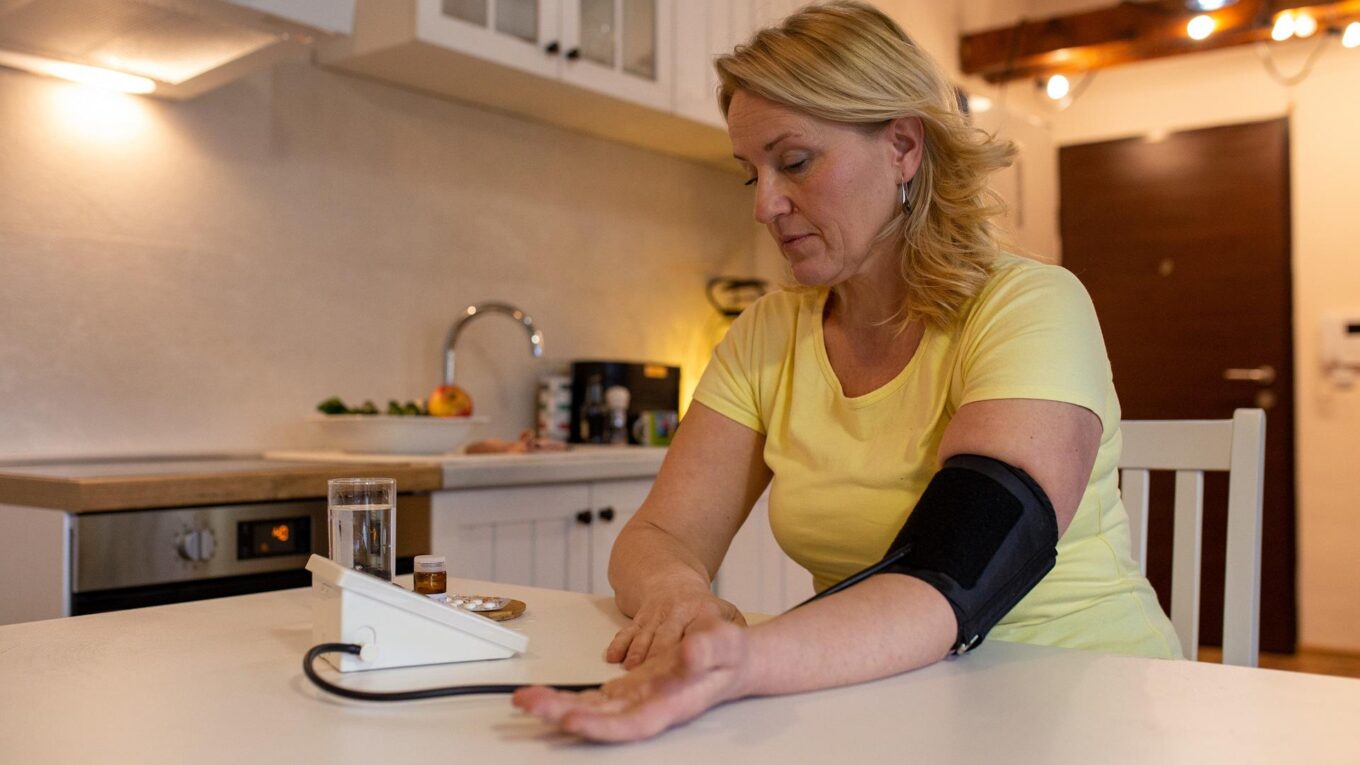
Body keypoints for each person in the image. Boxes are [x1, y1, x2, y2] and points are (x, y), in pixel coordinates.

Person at [513, 1, 1181, 742]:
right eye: (750, 174)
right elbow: (661, 532)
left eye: (795, 162)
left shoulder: (1031, 304)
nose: (766, 205)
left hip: (1082, 698)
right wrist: (678, 592)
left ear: (902, 147)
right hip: (883, 696)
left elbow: (960, 568)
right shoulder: (767, 334)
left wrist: (744, 661)